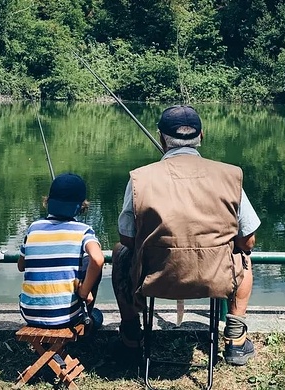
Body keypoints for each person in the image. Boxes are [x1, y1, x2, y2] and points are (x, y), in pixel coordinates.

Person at [111, 105, 260, 365]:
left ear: (161, 138)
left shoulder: (139, 179)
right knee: (244, 258)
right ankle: (235, 340)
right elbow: (247, 240)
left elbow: (127, 239)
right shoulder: (230, 175)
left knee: (120, 253)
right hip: (216, 279)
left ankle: (131, 335)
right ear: (202, 135)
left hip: (154, 279)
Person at [18, 173, 105, 329]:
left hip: (29, 314)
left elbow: (21, 266)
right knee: (97, 316)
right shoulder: (84, 231)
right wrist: (84, 291)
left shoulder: (33, 228)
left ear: (48, 201)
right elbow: (97, 259)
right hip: (66, 318)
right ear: (81, 206)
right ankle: (86, 320)